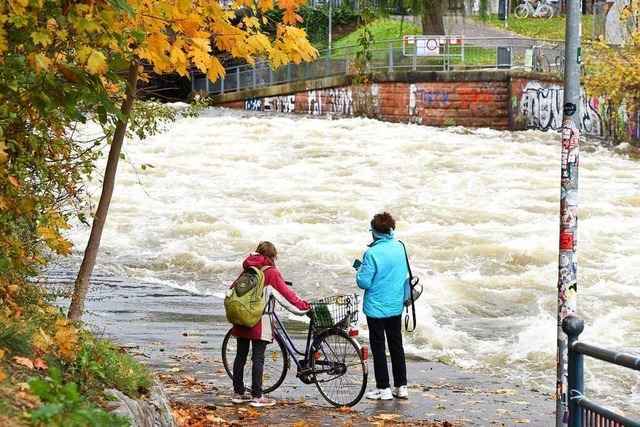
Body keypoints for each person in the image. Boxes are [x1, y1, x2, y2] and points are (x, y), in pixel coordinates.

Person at [230, 241, 310, 407]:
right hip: (259, 319)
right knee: (258, 357)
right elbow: (287, 296)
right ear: (272, 257)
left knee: (241, 355)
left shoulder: (248, 268)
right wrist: (304, 307)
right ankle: (257, 396)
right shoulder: (271, 273)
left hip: (242, 317)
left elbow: (233, 289)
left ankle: (238, 393)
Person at [355, 212, 409, 400]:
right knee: (396, 345)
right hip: (396, 305)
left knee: (378, 347)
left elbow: (364, 282)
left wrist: (359, 271)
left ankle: (383, 388)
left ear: (375, 232)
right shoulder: (400, 247)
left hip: (376, 308)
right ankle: (401, 386)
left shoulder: (371, 253)